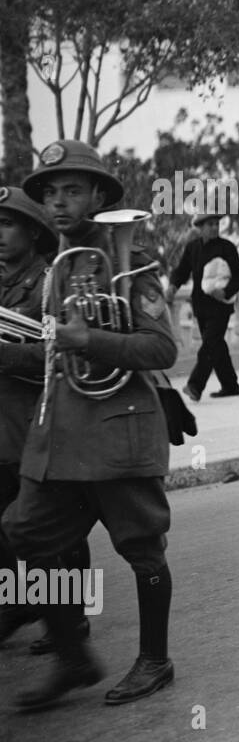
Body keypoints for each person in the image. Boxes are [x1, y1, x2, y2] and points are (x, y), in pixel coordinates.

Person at [5, 139, 178, 708]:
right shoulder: (62, 265)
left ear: (100, 195)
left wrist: (91, 338)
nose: (57, 203)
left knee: (141, 548)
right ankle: (73, 656)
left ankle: (155, 659)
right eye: (50, 193)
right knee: (27, 532)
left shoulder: (134, 262)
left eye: (72, 191)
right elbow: (56, 352)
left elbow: (160, 349)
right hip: (61, 435)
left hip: (120, 428)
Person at [0, 187, 92, 653]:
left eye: (6, 223)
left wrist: (8, 356)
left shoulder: (50, 281)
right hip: (2, 428)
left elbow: (67, 353)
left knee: (56, 530)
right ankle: (24, 602)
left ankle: (73, 622)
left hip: (37, 426)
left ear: (32, 230)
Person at [166, 209, 239, 401]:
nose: (214, 227)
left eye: (216, 224)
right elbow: (182, 270)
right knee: (216, 346)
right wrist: (172, 286)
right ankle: (230, 385)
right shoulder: (193, 247)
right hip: (201, 307)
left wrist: (225, 292)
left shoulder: (227, 248)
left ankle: (195, 386)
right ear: (200, 228)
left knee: (209, 345)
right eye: (210, 224)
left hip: (221, 306)